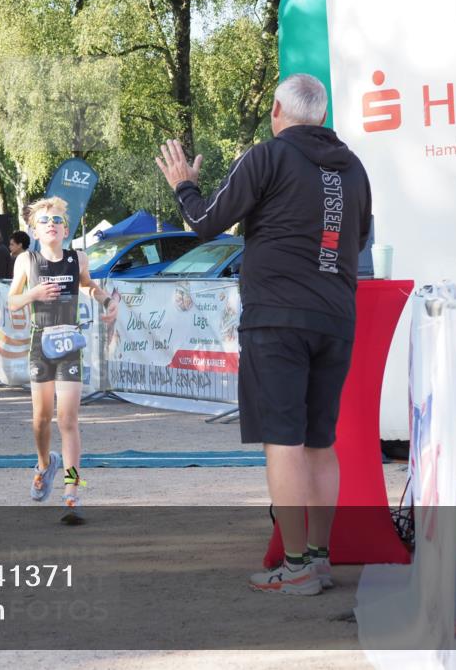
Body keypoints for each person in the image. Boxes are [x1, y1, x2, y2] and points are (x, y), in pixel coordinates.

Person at [155, 73, 372, 595]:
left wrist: (183, 183)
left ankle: (296, 567)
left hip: (277, 318)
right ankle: (316, 558)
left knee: (285, 442)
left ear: (278, 109)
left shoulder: (267, 156)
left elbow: (206, 221)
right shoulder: (355, 168)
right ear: (321, 115)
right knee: (321, 441)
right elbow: (361, 236)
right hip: (336, 315)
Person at [7, 197, 118, 523]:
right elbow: (13, 302)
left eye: (57, 220)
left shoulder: (77, 258)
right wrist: (33, 295)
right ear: (35, 229)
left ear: (66, 229)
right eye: (45, 221)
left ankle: (72, 493)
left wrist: (106, 300)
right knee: (41, 420)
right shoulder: (27, 261)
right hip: (41, 344)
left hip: (70, 342)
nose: (51, 225)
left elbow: (88, 287)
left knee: (68, 419)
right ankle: (44, 465)